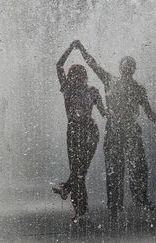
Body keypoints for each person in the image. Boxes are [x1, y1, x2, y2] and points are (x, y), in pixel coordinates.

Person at [75, 40, 156, 219]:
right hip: (114, 130)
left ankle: (141, 199)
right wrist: (82, 49)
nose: (128, 68)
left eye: (131, 66)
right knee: (114, 168)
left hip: (131, 130)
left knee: (139, 166)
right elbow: (93, 65)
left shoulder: (139, 89)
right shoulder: (109, 80)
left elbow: (147, 110)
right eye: (125, 65)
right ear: (120, 67)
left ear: (134, 70)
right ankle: (115, 206)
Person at [52, 41, 107, 222]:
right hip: (74, 131)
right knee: (78, 171)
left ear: (84, 76)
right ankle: (79, 209)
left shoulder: (93, 91)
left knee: (80, 169)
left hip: (89, 131)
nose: (75, 77)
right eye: (72, 75)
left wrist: (112, 113)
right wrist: (71, 48)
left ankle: (67, 190)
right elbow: (59, 65)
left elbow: (104, 112)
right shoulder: (67, 89)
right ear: (69, 77)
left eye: (78, 74)